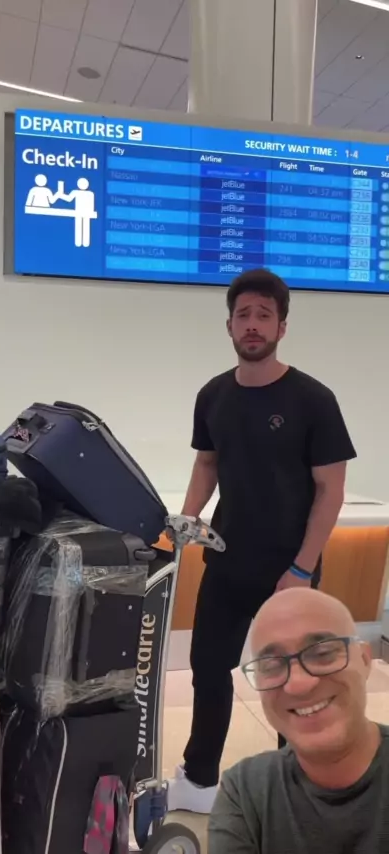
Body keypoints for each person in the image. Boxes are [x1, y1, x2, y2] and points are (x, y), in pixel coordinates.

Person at [167, 269, 356, 814]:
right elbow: (207, 464)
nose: (253, 325)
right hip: (226, 560)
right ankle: (200, 779)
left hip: (289, 570)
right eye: (243, 315)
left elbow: (331, 490)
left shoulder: (313, 399)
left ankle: (296, 787)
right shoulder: (213, 394)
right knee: (208, 669)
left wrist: (302, 569)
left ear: (282, 327)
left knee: (294, 681)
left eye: (264, 316)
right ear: (229, 325)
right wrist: (186, 521)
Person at [209, 588, 389, 853]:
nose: (298, 684)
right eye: (272, 665)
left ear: (364, 660)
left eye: (323, 653)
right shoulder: (246, 793)